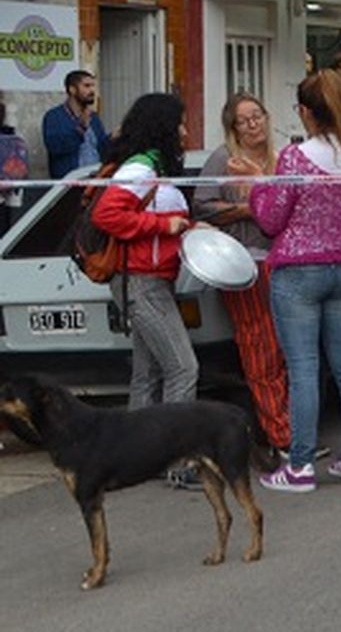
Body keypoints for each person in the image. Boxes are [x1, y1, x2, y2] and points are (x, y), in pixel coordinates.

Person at [252, 70, 341, 493]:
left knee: (303, 369)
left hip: (299, 268)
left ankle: (300, 465)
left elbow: (270, 220)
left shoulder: (294, 158)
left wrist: (254, 187)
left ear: (305, 111)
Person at [92, 94, 196, 487]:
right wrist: (162, 225)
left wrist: (182, 226)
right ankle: (177, 462)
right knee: (183, 369)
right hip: (144, 282)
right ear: (164, 128)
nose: (186, 132)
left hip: (147, 281)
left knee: (147, 374)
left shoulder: (149, 166)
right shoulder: (141, 168)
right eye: (181, 124)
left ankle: (131, 459)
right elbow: (108, 215)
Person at [193, 94, 291, 455]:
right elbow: (202, 206)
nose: (254, 125)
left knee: (284, 349)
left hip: (282, 262)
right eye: (244, 120)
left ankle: (283, 428)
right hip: (243, 265)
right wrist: (248, 209)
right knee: (259, 348)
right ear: (231, 127)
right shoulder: (223, 159)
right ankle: (280, 436)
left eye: (258, 116)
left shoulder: (280, 159)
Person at [44, 69, 111, 178]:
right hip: (70, 185)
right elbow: (55, 148)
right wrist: (81, 128)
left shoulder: (93, 117)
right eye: (87, 86)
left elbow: (101, 148)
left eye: (93, 86)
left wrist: (114, 137)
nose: (92, 90)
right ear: (72, 89)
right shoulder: (54, 117)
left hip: (95, 181)